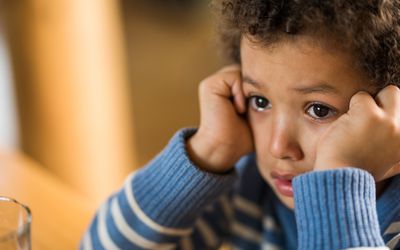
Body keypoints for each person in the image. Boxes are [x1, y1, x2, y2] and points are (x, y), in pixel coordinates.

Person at [81, 0, 400, 249]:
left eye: (318, 109)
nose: (278, 146)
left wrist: (337, 178)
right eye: (260, 101)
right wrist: (208, 150)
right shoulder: (248, 185)